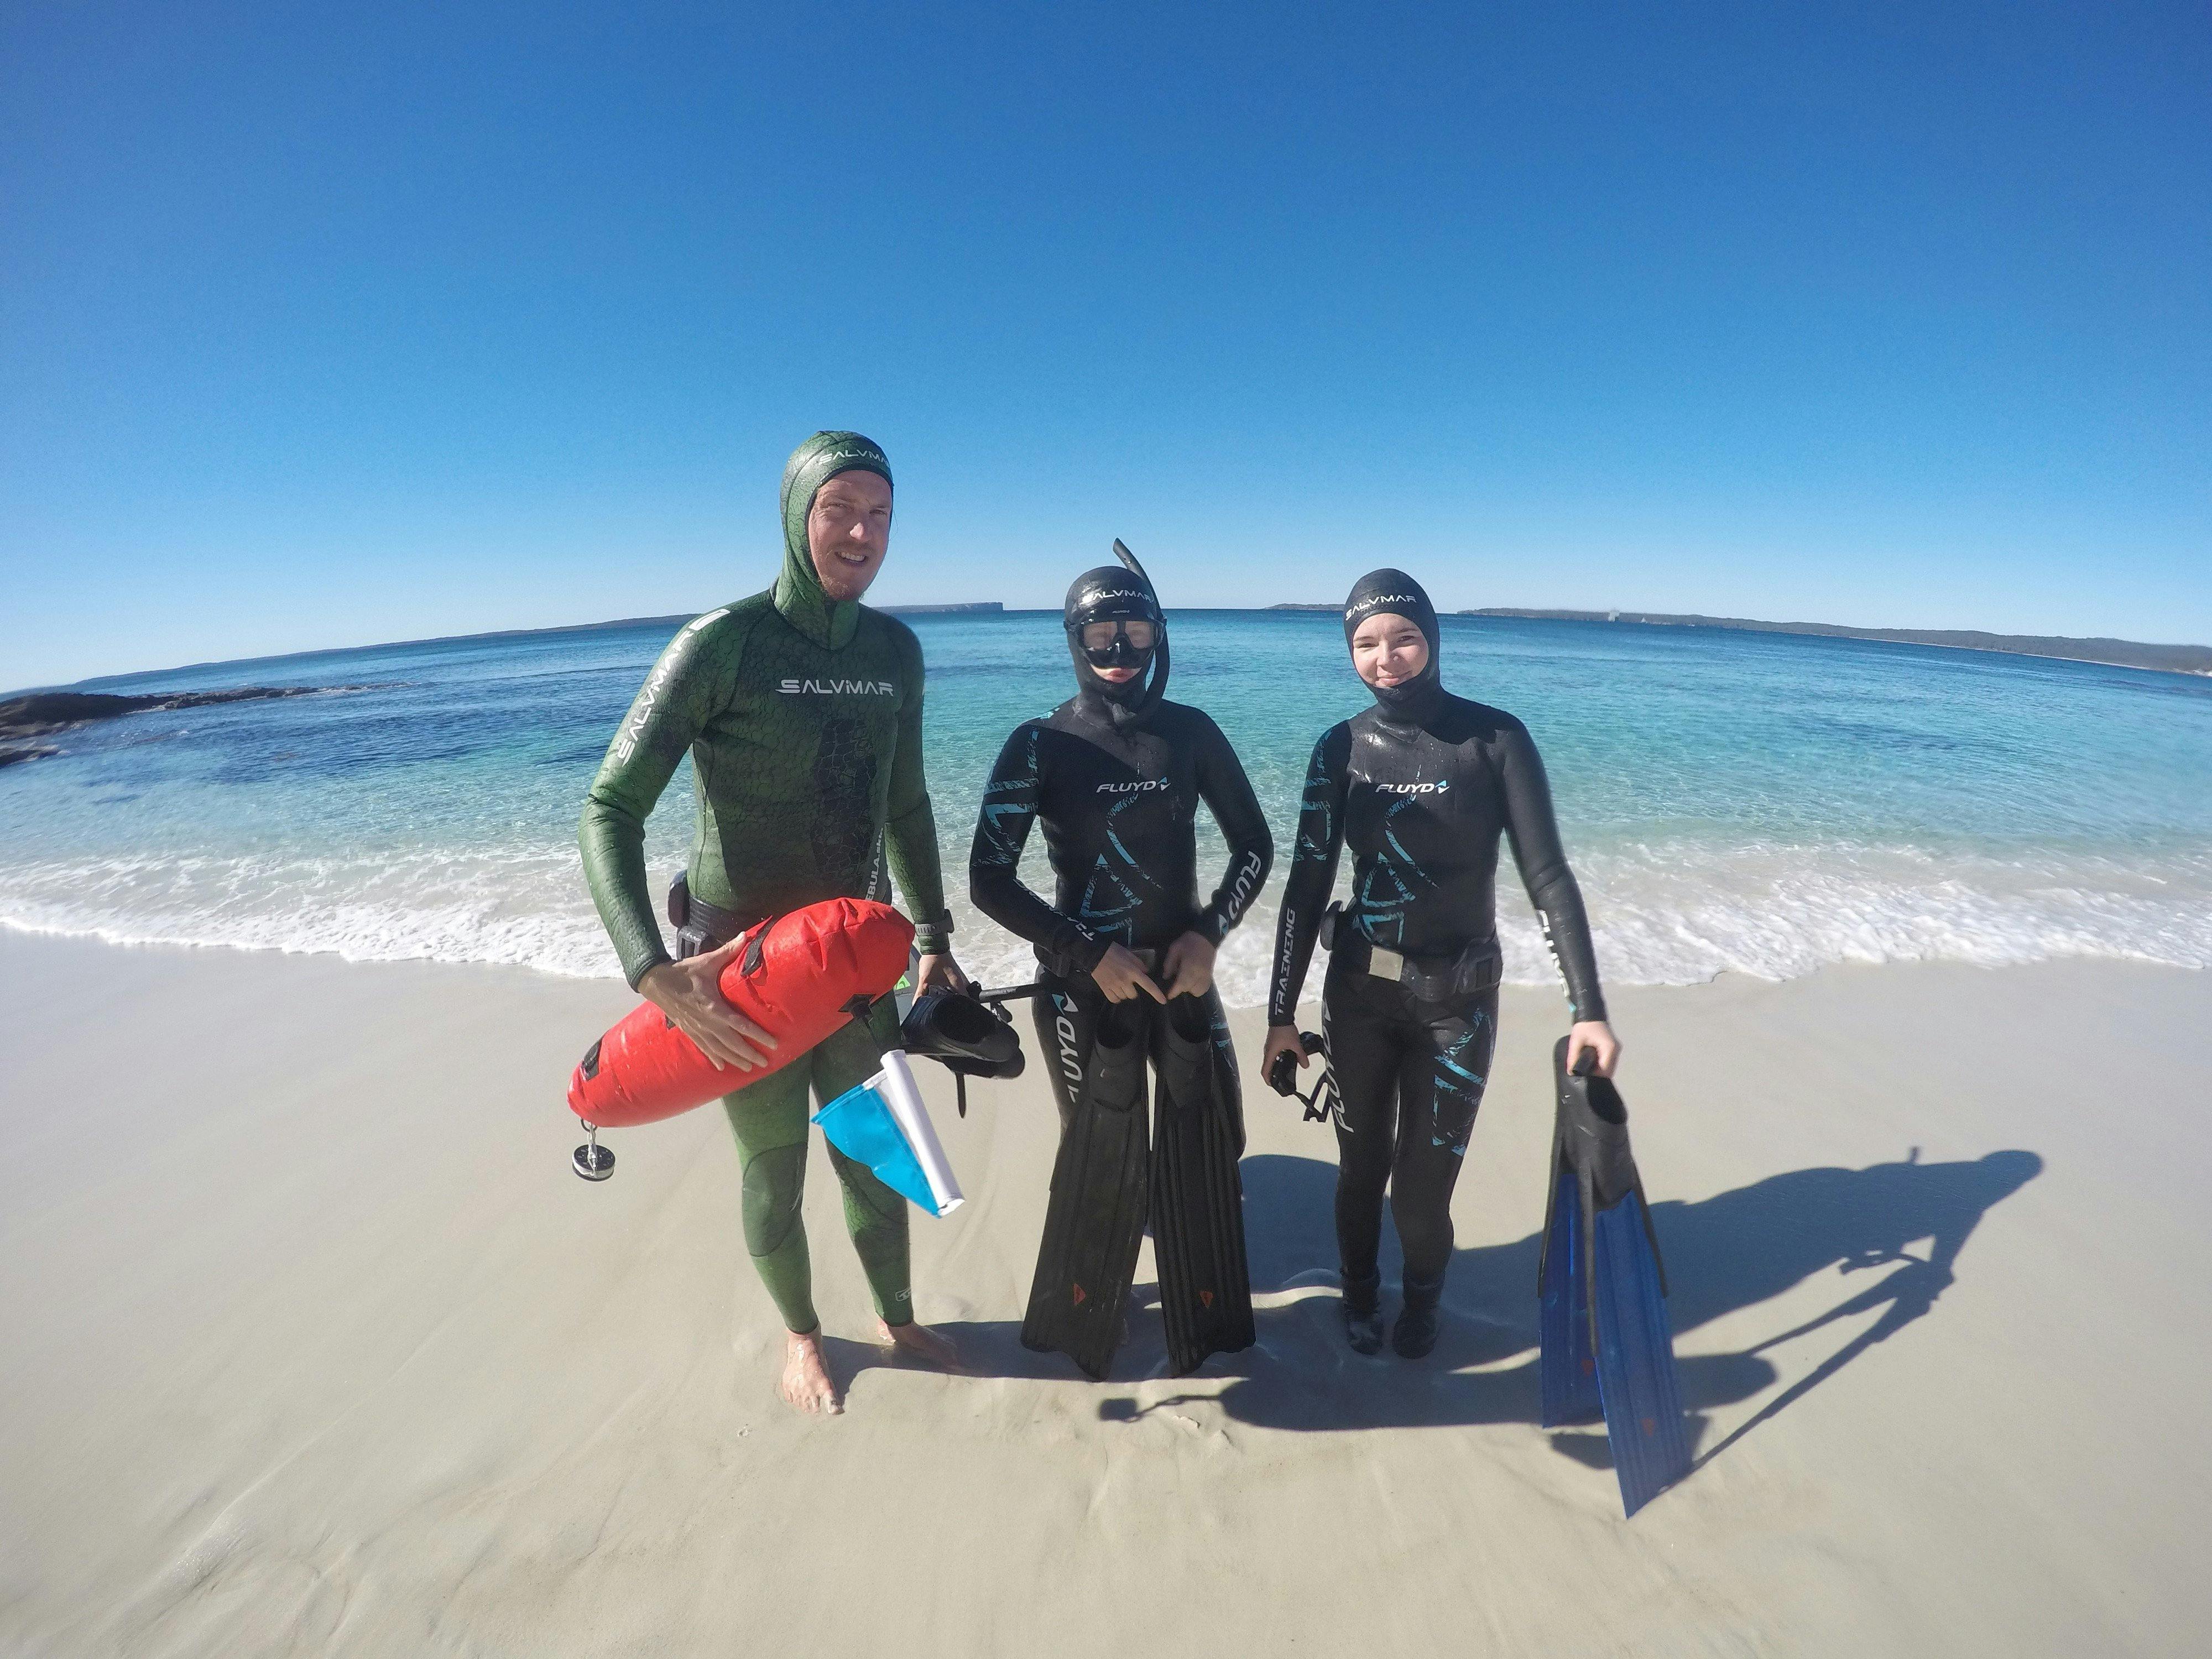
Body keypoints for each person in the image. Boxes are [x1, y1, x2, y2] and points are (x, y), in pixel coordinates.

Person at [579, 431, 969, 1416]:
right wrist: (647, 970)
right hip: (738, 974)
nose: (861, 532)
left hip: (859, 964)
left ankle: (898, 1314)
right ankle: (802, 1338)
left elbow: (908, 809)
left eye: (880, 514)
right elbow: (608, 808)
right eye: (839, 508)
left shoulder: (895, 652)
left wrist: (936, 942)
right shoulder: (723, 645)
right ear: (797, 517)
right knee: (774, 1172)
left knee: (881, 1160)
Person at [1262, 569, 1620, 1359]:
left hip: (1459, 1005)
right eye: (1365, 643)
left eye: (1403, 637)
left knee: (1422, 1195)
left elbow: (1549, 877)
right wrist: (1280, 1016)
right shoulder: (1341, 749)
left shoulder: (1494, 741)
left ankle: (1421, 1302)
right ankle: (1359, 1295)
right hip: (1357, 996)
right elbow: (1306, 887)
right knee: (1359, 1170)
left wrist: (1587, 1008)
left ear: (1431, 637)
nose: (1385, 657)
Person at [969, 547, 1272, 1377]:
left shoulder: (1191, 733)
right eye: (1100, 630)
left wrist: (1209, 934)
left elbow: (1255, 843)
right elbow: (987, 880)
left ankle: (1192, 1267)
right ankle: (1107, 1289)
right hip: (1083, 990)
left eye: (1136, 629)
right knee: (1101, 1150)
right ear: (1074, 637)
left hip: (1181, 982)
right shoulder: (1039, 745)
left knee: (1221, 1135)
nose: (1119, 646)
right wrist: (1084, 952)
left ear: (1159, 635)